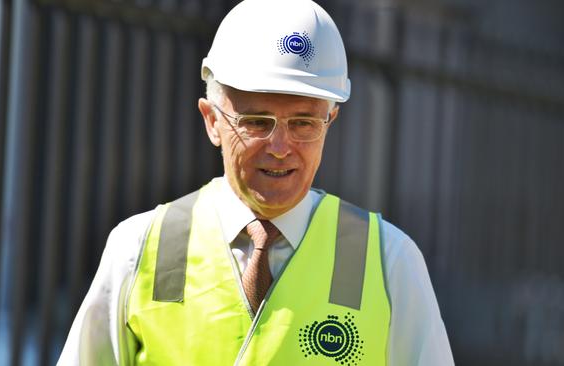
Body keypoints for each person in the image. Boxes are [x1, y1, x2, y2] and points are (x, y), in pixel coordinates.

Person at [58, 0, 454, 365]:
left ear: (329, 123)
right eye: (257, 121)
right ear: (212, 120)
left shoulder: (389, 261)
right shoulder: (140, 247)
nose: (281, 147)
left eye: (303, 122)